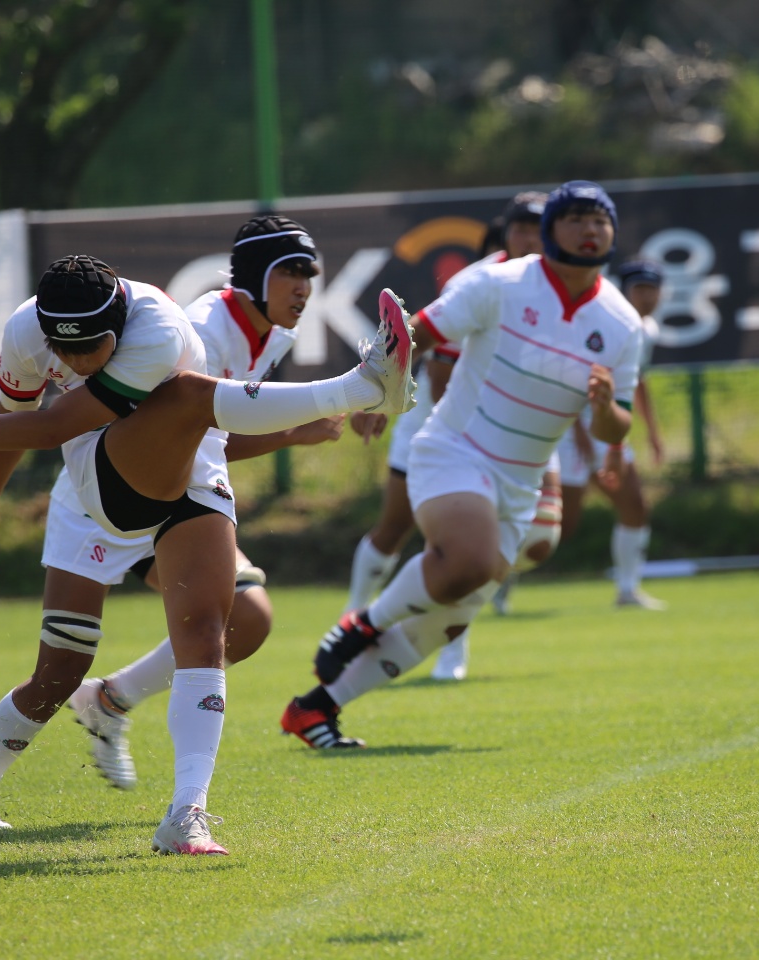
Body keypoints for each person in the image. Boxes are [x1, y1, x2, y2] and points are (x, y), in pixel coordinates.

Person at [0, 254, 414, 853]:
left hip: (190, 472)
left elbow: (80, 423)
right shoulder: (25, 330)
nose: (79, 361)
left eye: (93, 347)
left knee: (205, 632)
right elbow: (29, 424)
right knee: (61, 669)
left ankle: (186, 815)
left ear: (118, 323)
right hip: (97, 487)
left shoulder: (156, 326)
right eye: (65, 350)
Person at [0, 217, 340, 797]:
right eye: (291, 271)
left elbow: (202, 437)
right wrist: (294, 433)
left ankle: (120, 712)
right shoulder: (200, 328)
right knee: (59, 671)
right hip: (98, 497)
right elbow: (57, 426)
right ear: (257, 276)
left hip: (171, 491)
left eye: (310, 272)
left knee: (244, 618)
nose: (304, 285)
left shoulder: (261, 334)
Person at [280, 181, 643, 749]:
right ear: (551, 230)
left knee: (447, 620)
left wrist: (603, 409)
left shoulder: (622, 322)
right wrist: (374, 397)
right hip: (457, 450)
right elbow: (415, 336)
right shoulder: (498, 282)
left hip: (521, 483)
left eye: (600, 219)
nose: (589, 229)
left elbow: (615, 427)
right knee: (468, 562)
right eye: (575, 217)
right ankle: (364, 622)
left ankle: (316, 709)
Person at [344, 191, 560, 682]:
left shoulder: (570, 291)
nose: (531, 238)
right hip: (442, 426)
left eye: (540, 228)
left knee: (533, 541)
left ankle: (447, 643)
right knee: (395, 529)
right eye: (522, 228)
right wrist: (381, 398)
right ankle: (353, 617)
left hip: (514, 434)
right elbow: (434, 359)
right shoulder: (479, 281)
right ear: (505, 233)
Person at [556, 258, 667, 609]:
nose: (647, 297)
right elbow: (568, 380)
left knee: (635, 506)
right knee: (560, 526)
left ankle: (628, 590)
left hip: (609, 430)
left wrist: (653, 432)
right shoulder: (602, 321)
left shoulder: (647, 330)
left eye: (653, 289)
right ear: (623, 289)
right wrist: (578, 431)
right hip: (567, 429)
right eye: (640, 289)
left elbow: (636, 382)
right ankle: (501, 577)